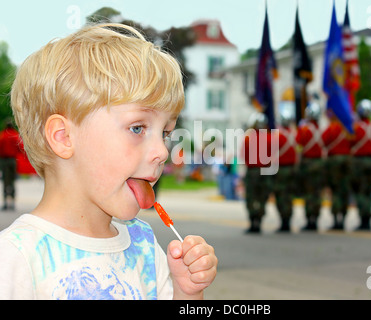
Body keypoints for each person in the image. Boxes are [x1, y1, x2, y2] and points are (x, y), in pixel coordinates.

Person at [0, 23, 217, 300]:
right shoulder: (17, 258)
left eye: (165, 133)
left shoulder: (145, 246)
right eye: (137, 128)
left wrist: (187, 292)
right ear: (64, 137)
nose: (162, 152)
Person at [349, 99, 371, 231]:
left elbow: (350, 143)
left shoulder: (354, 127)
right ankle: (367, 218)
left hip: (359, 162)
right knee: (368, 191)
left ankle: (364, 219)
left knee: (360, 191)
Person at [241, 112, 273, 233]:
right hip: (265, 171)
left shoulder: (249, 137)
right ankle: (259, 220)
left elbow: (243, 155)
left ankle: (252, 220)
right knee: (262, 197)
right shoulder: (270, 138)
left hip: (253, 171)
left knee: (251, 196)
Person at [296, 102, 326, 231]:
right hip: (319, 164)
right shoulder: (322, 129)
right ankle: (316, 219)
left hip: (307, 164)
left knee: (308, 193)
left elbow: (298, 146)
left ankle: (309, 219)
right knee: (317, 193)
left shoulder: (303, 129)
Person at [322, 110, 352, 230]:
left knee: (334, 190)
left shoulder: (332, 128)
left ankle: (335, 219)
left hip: (334, 161)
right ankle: (343, 219)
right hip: (347, 160)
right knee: (344, 190)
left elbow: (324, 141)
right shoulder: (349, 128)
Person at [272, 109, 299, 232]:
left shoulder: (277, 136)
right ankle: (288, 220)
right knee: (289, 195)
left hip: (281, 170)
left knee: (281, 196)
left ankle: (284, 221)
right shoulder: (295, 134)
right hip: (293, 169)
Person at [0, 120, 22, 211]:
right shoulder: (15, 135)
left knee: (5, 181)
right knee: (13, 181)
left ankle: (5, 202)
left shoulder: (2, 136)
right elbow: (20, 148)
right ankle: (12, 202)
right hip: (13, 160)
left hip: (4, 161)